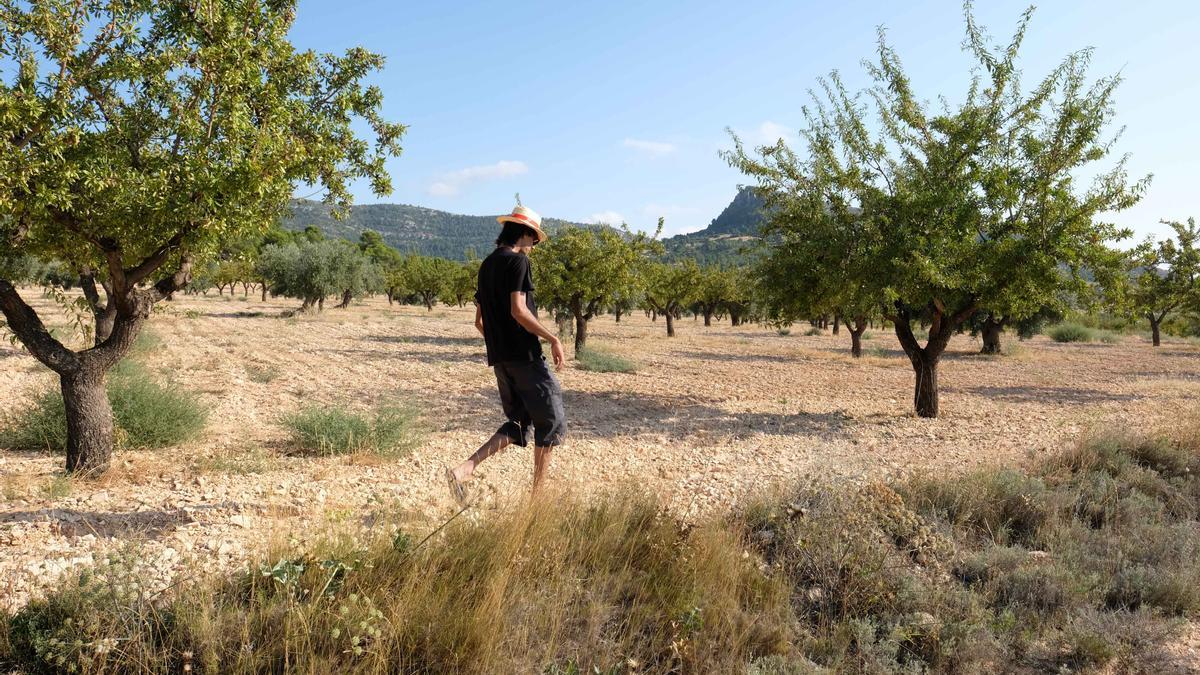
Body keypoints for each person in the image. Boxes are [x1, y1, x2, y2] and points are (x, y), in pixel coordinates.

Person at [445, 203, 566, 504]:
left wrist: (499, 343)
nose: (534, 246)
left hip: (501, 361)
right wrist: (552, 338)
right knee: (551, 422)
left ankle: (464, 469)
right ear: (524, 233)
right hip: (525, 358)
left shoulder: (486, 265)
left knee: (518, 424)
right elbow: (518, 310)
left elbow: (479, 322)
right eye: (534, 239)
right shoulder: (518, 263)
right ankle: (537, 500)